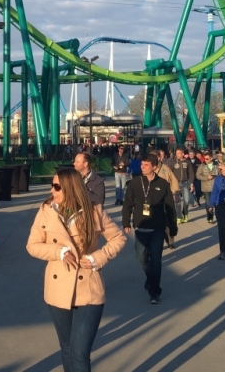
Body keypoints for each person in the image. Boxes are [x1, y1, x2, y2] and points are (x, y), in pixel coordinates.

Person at [27, 168, 126, 372]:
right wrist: (58, 251)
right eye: (52, 185)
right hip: (57, 288)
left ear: (70, 188)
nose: (52, 190)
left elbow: (118, 238)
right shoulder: (46, 211)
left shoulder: (94, 212)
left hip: (88, 288)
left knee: (80, 354)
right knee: (67, 349)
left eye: (56, 186)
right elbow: (32, 245)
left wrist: (98, 257)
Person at [122, 154, 177, 304]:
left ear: (154, 167)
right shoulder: (135, 182)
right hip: (140, 227)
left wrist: (173, 227)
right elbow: (127, 204)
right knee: (141, 258)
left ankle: (154, 292)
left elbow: (170, 207)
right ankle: (151, 278)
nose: (143, 167)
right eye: (142, 164)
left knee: (156, 261)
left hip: (157, 228)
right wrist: (126, 222)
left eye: (146, 165)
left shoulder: (163, 184)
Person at [171, 147, 195, 223]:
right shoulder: (173, 162)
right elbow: (170, 173)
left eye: (179, 153)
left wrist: (191, 183)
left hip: (185, 183)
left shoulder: (187, 162)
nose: (177, 155)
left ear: (183, 154)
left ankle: (185, 214)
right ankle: (178, 217)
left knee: (186, 201)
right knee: (177, 202)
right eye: (176, 153)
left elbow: (191, 173)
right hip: (176, 184)